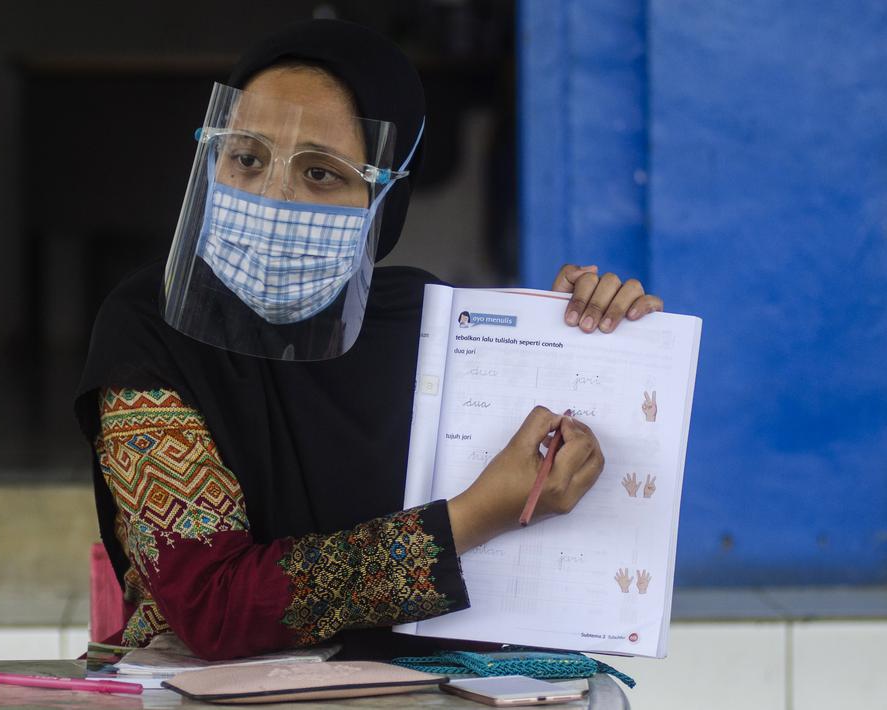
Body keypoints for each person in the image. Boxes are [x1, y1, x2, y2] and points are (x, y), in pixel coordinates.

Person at [75, 19, 663, 661]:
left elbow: (527, 573)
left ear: (385, 198)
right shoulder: (150, 322)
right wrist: (472, 518)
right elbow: (213, 608)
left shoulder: (430, 324)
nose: (273, 196)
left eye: (322, 173)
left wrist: (570, 349)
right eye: (246, 157)